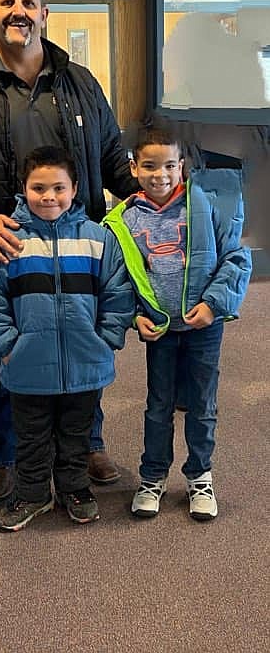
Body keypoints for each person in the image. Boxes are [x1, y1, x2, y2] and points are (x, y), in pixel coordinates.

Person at [0, 0, 137, 502]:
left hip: (77, 248)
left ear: (44, 11)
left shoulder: (80, 82)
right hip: (7, 248)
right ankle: (4, 454)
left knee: (78, 343)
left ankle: (84, 443)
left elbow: (112, 154)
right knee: (4, 354)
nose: (19, 11)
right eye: (7, 2)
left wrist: (146, 199)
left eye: (29, 1)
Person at [0, 146, 134, 531]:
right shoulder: (7, 242)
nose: (49, 196)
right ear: (23, 189)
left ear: (75, 188)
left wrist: (107, 339)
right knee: (30, 435)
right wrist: (7, 347)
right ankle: (32, 493)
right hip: (26, 363)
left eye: (59, 188)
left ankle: (75, 488)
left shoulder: (99, 239)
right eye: (39, 188)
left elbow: (117, 292)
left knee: (76, 432)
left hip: (85, 361)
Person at [103, 123, 251, 521]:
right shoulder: (123, 221)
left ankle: (200, 475)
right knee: (158, 405)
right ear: (134, 167)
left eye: (169, 165)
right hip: (161, 330)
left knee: (202, 404)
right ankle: (153, 477)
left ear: (182, 166)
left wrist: (213, 305)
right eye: (150, 166)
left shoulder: (205, 205)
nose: (160, 175)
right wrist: (134, 317)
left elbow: (235, 259)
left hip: (204, 326)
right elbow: (119, 279)